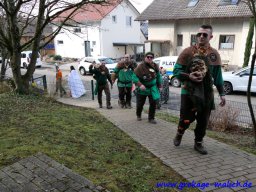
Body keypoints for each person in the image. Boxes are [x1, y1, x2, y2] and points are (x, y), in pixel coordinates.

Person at [173, 24, 226, 155]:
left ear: (211, 37)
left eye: (205, 34)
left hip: (207, 92)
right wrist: (188, 76)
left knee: (203, 120)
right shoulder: (187, 52)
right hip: (188, 91)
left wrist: (222, 93)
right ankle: (180, 132)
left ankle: (198, 142)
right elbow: (176, 71)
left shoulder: (214, 55)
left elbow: (218, 76)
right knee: (186, 118)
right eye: (199, 34)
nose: (201, 37)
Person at [132, 52, 162, 124]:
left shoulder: (155, 66)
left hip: (152, 88)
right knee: (140, 104)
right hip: (143, 88)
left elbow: (158, 76)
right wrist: (140, 84)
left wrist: (159, 85)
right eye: (148, 57)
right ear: (145, 57)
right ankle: (138, 114)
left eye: (151, 57)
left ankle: (151, 118)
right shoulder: (140, 67)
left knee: (153, 103)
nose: (149, 58)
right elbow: (134, 77)